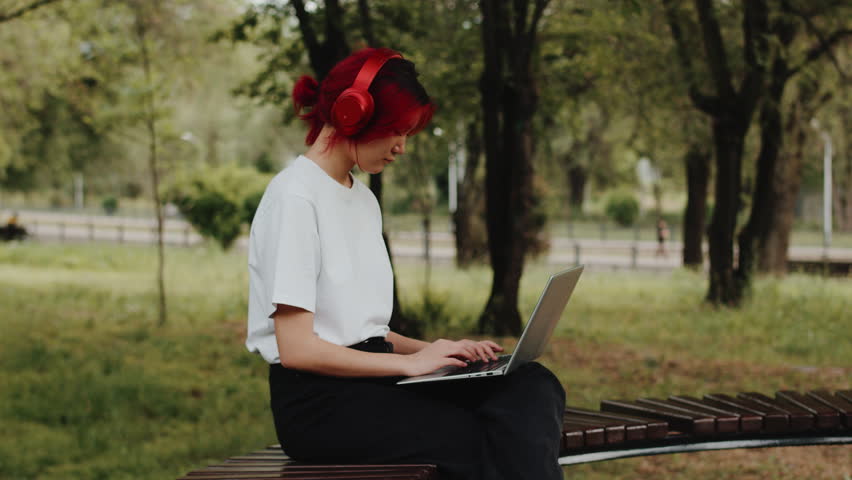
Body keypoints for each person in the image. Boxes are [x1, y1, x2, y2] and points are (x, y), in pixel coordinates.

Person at [246, 48, 566, 480]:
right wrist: (409, 365)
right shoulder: (294, 197)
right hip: (321, 407)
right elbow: (299, 349)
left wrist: (440, 350)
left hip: (375, 381)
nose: (402, 147)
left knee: (532, 385)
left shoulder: (362, 198)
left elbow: (367, 334)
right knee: (480, 437)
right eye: (397, 130)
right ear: (352, 115)